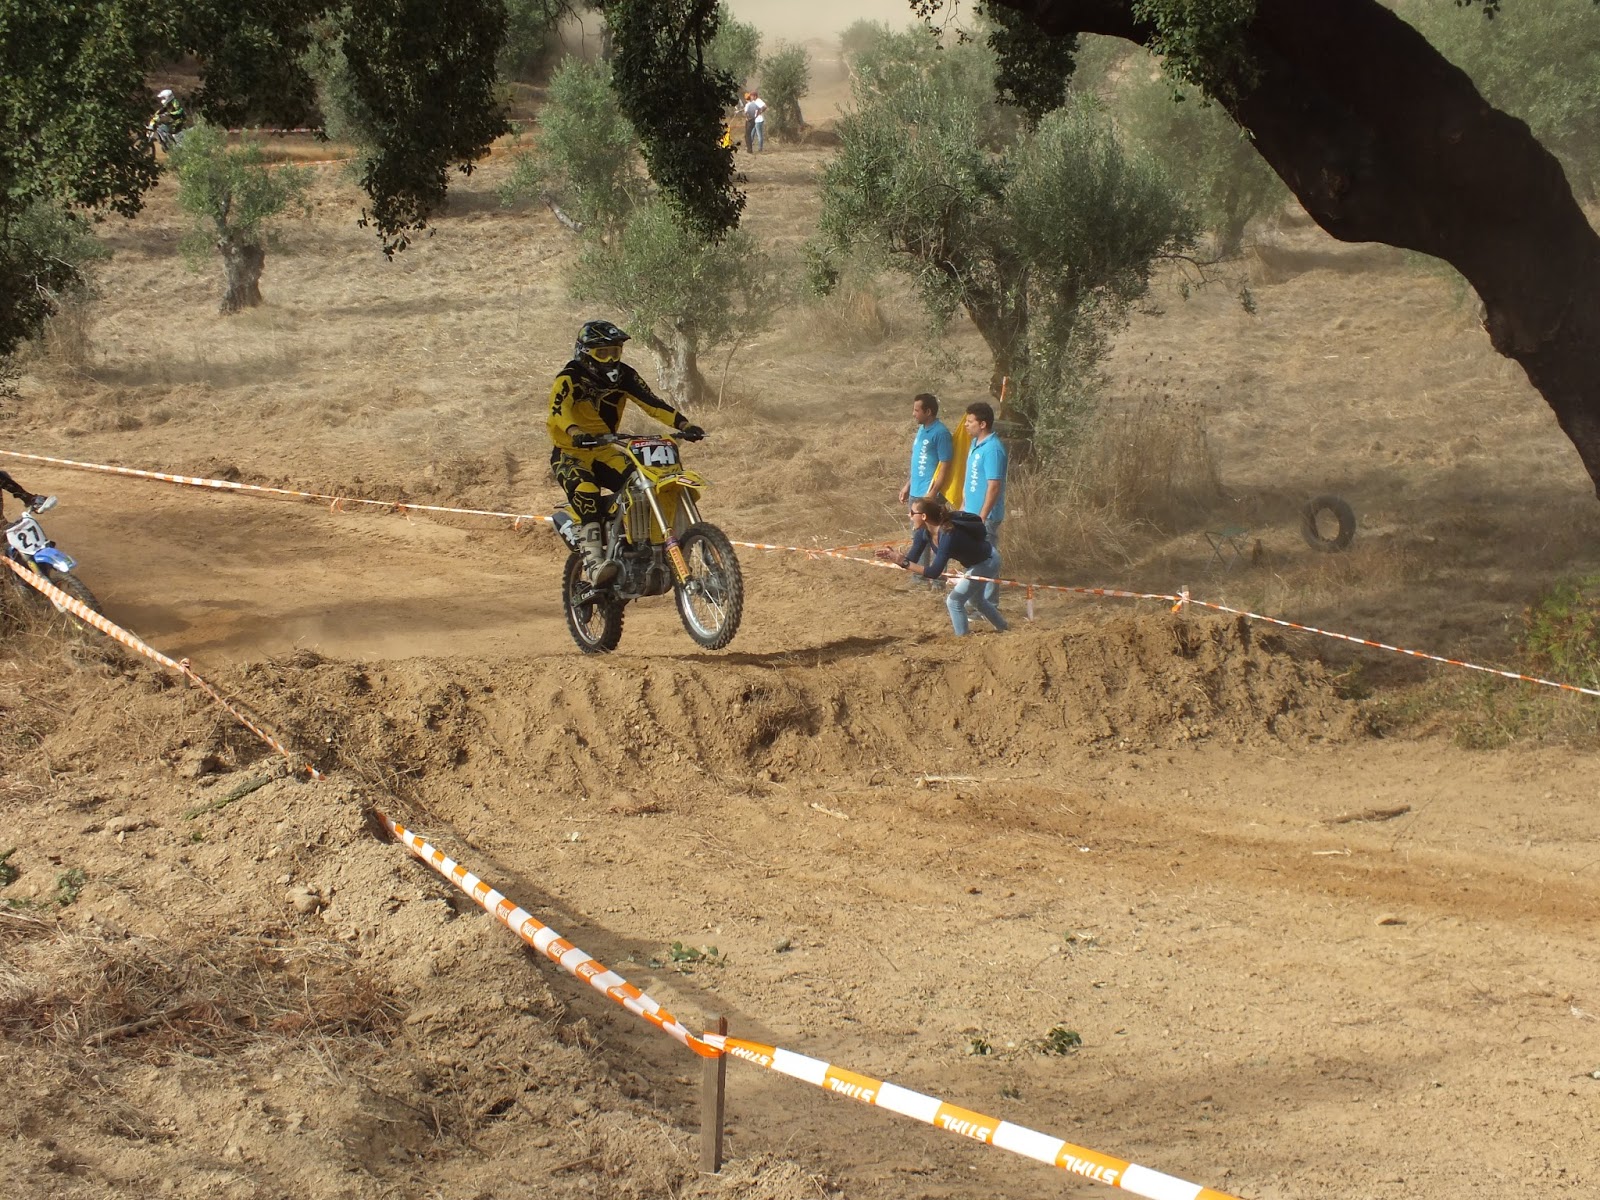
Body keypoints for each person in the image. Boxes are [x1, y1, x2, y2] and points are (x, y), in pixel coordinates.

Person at [547, 320, 704, 585]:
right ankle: (594, 562)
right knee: (586, 489)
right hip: (570, 453)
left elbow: (652, 403)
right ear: (585, 353)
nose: (610, 359)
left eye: (615, 351)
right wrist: (576, 432)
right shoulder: (569, 377)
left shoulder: (625, 375)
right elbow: (557, 411)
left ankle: (640, 545)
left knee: (643, 482)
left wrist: (684, 425)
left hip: (606, 451)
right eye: (602, 353)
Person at [876, 495, 1008, 636]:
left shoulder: (948, 534)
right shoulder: (923, 532)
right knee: (977, 600)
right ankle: (1004, 628)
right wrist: (895, 557)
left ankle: (963, 638)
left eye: (912, 513)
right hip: (975, 563)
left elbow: (934, 572)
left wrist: (904, 562)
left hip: (987, 561)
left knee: (954, 601)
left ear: (924, 516)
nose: (909, 515)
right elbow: (912, 559)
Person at [898, 393, 953, 582]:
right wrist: (908, 485)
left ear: (928, 411)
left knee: (937, 536)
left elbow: (945, 465)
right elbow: (919, 461)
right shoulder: (922, 430)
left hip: (930, 495)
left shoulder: (941, 433)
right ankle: (918, 578)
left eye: (917, 410)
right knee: (919, 536)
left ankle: (938, 581)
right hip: (915, 493)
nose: (913, 414)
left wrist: (933, 493)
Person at [961, 400, 1008, 605]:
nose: (966, 425)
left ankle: (989, 605)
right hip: (970, 514)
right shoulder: (975, 445)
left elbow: (994, 486)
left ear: (982, 424)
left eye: (970, 421)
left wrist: (982, 516)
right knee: (974, 559)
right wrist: (963, 508)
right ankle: (974, 602)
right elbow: (971, 480)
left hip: (985, 517)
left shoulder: (993, 449)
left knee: (988, 560)